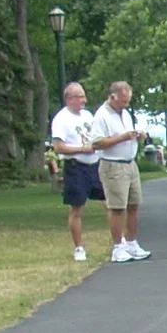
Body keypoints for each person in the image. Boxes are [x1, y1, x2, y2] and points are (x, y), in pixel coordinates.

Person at [82, 80, 153, 263]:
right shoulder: (101, 116)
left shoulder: (125, 114)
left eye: (127, 101)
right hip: (113, 164)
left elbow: (128, 133)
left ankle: (132, 242)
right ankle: (118, 246)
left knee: (133, 204)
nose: (125, 105)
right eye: (122, 101)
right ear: (112, 97)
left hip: (130, 163)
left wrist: (138, 135)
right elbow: (96, 143)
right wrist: (121, 138)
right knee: (117, 207)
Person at [47, 82, 101, 262]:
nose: (83, 100)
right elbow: (58, 147)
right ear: (69, 99)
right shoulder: (61, 119)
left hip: (95, 165)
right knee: (77, 207)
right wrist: (82, 149)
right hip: (76, 166)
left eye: (84, 96)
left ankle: (120, 241)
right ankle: (79, 248)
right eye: (79, 97)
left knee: (111, 202)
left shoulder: (87, 115)